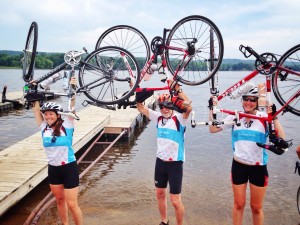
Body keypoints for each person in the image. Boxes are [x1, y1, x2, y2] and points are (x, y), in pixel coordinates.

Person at [209, 86, 285, 225]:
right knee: (239, 205)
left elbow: (282, 140)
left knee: (256, 208)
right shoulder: (235, 116)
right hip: (238, 166)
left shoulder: (263, 118)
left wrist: (274, 117)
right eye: (245, 99)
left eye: (252, 100)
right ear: (242, 100)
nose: (248, 102)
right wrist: (211, 108)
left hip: (258, 167)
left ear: (257, 102)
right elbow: (213, 129)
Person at [136, 81, 192, 225]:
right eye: (162, 107)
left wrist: (177, 89)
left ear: (172, 106)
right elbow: (140, 108)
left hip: (175, 164)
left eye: (167, 106)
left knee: (175, 200)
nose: (164, 110)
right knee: (160, 194)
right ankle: (164, 221)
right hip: (160, 162)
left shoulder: (179, 119)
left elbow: (189, 107)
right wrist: (139, 91)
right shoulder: (158, 118)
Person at [31, 77, 82, 225]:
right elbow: (35, 109)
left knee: (72, 204)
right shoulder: (43, 127)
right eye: (46, 114)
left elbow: (72, 106)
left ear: (58, 115)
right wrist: (33, 88)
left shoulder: (68, 124)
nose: (47, 117)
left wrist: (73, 88)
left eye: (51, 114)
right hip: (53, 169)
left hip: (68, 167)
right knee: (60, 201)